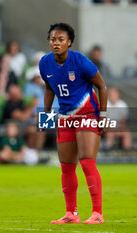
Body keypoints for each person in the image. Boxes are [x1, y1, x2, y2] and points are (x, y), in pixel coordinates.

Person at [39, 23, 107, 224]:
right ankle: (71, 214)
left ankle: (97, 213)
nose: (56, 43)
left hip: (87, 114)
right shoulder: (45, 63)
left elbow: (101, 86)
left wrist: (102, 115)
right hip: (65, 117)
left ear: (69, 42)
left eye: (61, 39)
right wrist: (46, 115)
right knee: (66, 167)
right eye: (53, 39)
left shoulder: (81, 62)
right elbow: (49, 89)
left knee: (87, 163)